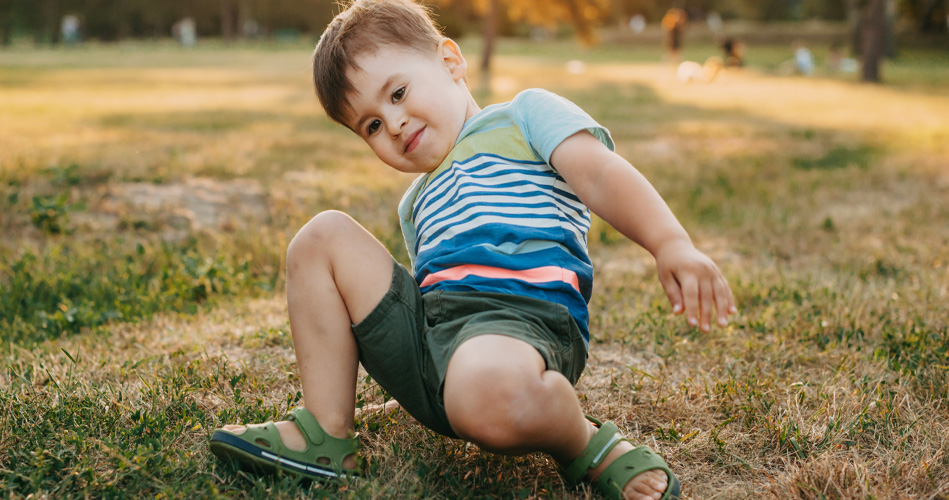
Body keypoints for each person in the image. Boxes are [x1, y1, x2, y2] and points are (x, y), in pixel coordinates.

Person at [209, 1, 737, 499]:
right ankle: (326, 430)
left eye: (396, 94)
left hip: (522, 320)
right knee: (322, 235)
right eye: (371, 125)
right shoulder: (415, 203)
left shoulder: (524, 118)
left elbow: (599, 175)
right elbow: (428, 300)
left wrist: (671, 244)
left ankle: (584, 442)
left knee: (482, 392)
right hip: (439, 343)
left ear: (450, 60)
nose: (392, 124)